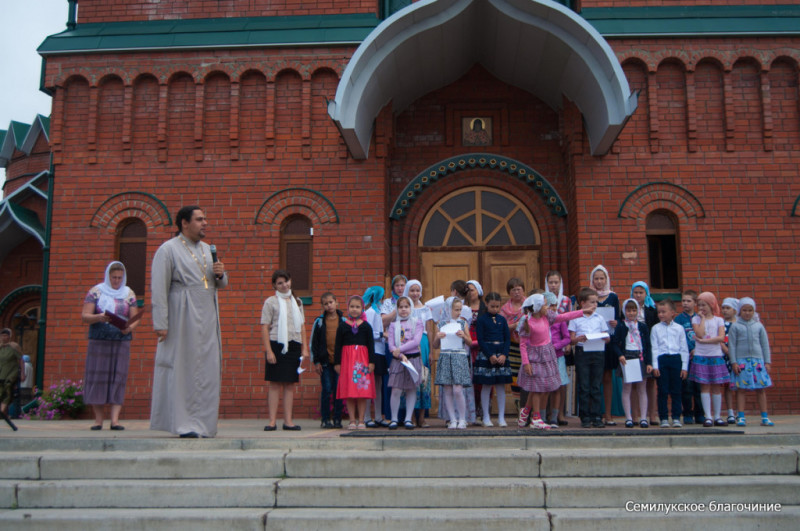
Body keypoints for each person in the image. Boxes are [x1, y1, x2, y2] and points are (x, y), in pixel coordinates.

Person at [150, 206, 228, 438]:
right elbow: (158, 289)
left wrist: (221, 273)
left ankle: (204, 424)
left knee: (207, 370)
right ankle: (184, 424)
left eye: (205, 219)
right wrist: (160, 322)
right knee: (183, 368)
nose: (205, 223)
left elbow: (220, 284)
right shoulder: (168, 250)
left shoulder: (207, 249)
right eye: (199, 219)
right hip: (181, 314)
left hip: (207, 315)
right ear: (184, 223)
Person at [81, 261, 140, 430]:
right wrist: (98, 317)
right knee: (98, 377)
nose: (116, 281)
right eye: (113, 277)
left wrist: (129, 328)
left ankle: (115, 420)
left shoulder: (128, 293)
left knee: (118, 377)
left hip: (120, 340)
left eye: (119, 278)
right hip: (99, 339)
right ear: (108, 276)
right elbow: (85, 316)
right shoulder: (96, 292)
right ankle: (98, 420)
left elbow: (135, 318)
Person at [517, 294, 583, 429]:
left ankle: (525, 412)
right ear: (537, 307)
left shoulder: (547, 317)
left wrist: (582, 312)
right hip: (535, 357)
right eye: (545, 305)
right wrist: (526, 363)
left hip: (548, 355)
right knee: (536, 388)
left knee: (541, 386)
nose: (547, 307)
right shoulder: (527, 322)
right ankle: (536, 418)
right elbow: (523, 345)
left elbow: (563, 317)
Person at [261, 269, 308, 431]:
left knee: (289, 384)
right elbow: (265, 327)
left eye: (286, 281)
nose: (284, 285)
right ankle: (272, 421)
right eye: (279, 283)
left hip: (294, 344)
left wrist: (305, 348)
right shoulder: (270, 302)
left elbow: (302, 326)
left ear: (290, 281)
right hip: (276, 344)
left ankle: (288, 421)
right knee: (274, 384)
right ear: (275, 285)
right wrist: (269, 351)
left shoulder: (298, 302)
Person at [728, 297, 774, 427]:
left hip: (758, 361)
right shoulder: (735, 326)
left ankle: (764, 417)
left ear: (754, 311)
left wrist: (767, 361)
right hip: (741, 362)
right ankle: (741, 417)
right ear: (739, 311)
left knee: (761, 389)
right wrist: (734, 362)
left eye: (750, 310)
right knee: (741, 389)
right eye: (744, 310)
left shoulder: (759, 326)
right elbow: (731, 346)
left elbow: (765, 345)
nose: (747, 313)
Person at [569, 287, 610, 428]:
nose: (595, 305)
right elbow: (572, 339)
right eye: (592, 302)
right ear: (582, 303)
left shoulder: (599, 318)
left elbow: (606, 335)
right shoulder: (576, 317)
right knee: (584, 385)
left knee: (596, 386)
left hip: (598, 352)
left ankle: (597, 415)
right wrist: (578, 339)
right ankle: (585, 416)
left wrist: (605, 338)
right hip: (582, 352)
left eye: (596, 302)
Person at [334, 295, 377, 430]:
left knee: (362, 392)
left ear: (362, 309)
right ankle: (352, 420)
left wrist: (371, 362)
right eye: (352, 306)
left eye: (357, 307)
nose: (354, 309)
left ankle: (362, 420)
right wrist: (337, 363)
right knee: (350, 392)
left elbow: (371, 345)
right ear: (348, 308)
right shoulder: (342, 326)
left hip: (362, 362)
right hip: (347, 362)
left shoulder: (366, 327)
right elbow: (337, 345)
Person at [690, 292, 729, 427]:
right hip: (701, 356)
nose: (701, 308)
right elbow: (699, 333)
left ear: (711, 305)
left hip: (715, 356)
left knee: (716, 387)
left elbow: (721, 338)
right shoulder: (696, 319)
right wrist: (702, 319)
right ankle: (708, 417)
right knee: (704, 387)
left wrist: (705, 342)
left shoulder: (719, 320)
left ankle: (718, 416)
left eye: (704, 305)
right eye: (699, 305)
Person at [474, 292, 512, 427]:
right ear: (487, 305)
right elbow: (480, 339)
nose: (495, 309)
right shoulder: (482, 320)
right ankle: (486, 416)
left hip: (501, 352)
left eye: (497, 307)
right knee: (486, 385)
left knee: (500, 385)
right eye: (492, 306)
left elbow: (507, 338)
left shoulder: (502, 320)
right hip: (487, 354)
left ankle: (501, 417)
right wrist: (490, 355)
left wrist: (504, 354)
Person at [433, 298, 471, 429]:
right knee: (448, 389)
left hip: (459, 357)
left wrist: (464, 336)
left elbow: (470, 342)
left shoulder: (462, 323)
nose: (458, 312)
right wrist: (438, 336)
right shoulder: (441, 324)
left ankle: (462, 418)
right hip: (446, 356)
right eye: (456, 310)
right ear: (448, 310)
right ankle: (452, 419)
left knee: (458, 389)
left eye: (460, 309)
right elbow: (435, 345)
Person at [613, 299, 652, 428]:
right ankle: (628, 418)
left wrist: (649, 362)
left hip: (640, 357)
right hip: (627, 358)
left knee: (642, 388)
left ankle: (643, 418)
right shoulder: (621, 326)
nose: (631, 313)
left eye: (634, 310)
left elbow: (648, 345)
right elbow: (615, 343)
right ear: (624, 311)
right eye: (628, 310)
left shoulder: (642, 326)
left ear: (638, 311)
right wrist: (620, 355)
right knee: (627, 388)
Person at [650, 299, 690, 428]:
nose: (661, 314)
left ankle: (676, 417)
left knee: (676, 390)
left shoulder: (679, 329)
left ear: (672, 313)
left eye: (664, 312)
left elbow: (684, 348)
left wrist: (684, 367)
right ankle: (663, 418)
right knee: (662, 390)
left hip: (675, 359)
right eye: (659, 312)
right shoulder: (655, 329)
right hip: (662, 360)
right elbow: (654, 348)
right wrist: (655, 365)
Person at [589, 265, 621, 426]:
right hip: (592, 342)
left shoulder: (613, 297)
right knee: (593, 378)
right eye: (596, 278)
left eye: (602, 278)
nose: (599, 281)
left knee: (607, 377)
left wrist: (617, 323)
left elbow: (620, 319)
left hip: (607, 342)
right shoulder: (588, 296)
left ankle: (608, 414)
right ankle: (593, 413)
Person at [387, 296, 424, 429]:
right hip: (398, 360)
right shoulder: (393, 325)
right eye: (401, 307)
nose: (403, 310)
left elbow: (416, 341)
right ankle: (394, 419)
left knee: (411, 389)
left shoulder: (417, 322)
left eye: (406, 307)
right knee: (396, 389)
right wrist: (399, 354)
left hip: (413, 359)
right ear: (397, 309)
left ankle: (408, 418)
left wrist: (399, 349)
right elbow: (390, 344)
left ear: (411, 308)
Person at [310, 292, 344, 429]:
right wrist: (316, 361)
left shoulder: (344, 321)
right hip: (325, 362)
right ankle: (325, 419)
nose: (329, 305)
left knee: (338, 391)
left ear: (336, 302)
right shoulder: (319, 322)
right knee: (327, 389)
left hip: (339, 363)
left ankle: (337, 419)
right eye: (326, 303)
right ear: (322, 306)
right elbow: (314, 343)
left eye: (331, 302)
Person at [403, 280, 433, 427]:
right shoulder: (404, 308)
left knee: (423, 379)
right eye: (412, 290)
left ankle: (421, 417)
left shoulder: (426, 309)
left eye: (417, 290)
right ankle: (410, 416)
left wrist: (432, 351)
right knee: (410, 378)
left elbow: (430, 329)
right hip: (409, 344)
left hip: (423, 343)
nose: (415, 293)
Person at [631, 281, 659, 424]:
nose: (638, 295)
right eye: (636, 292)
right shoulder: (628, 308)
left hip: (648, 348)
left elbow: (655, 329)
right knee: (635, 383)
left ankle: (652, 415)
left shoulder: (652, 309)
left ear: (646, 293)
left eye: (641, 292)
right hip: (633, 349)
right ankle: (635, 415)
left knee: (650, 383)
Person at [362, 286, 390, 427]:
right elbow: (367, 333)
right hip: (373, 351)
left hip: (380, 351)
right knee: (370, 384)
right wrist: (382, 334)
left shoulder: (377, 311)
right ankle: (367, 416)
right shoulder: (371, 312)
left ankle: (378, 416)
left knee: (378, 385)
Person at [675, 290, 703, 425]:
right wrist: (688, 350)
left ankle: (700, 413)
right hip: (685, 359)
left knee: (699, 387)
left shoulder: (700, 318)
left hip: (700, 357)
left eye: (689, 301)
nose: (685, 303)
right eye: (683, 301)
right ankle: (687, 413)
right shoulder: (679, 319)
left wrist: (697, 348)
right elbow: (678, 338)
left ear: (695, 303)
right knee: (686, 388)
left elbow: (705, 335)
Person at [500, 278, 526, 419]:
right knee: (515, 378)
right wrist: (514, 326)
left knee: (530, 377)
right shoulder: (504, 310)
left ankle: (530, 410)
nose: (516, 292)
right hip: (513, 347)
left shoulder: (529, 305)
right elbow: (501, 328)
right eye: (513, 290)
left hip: (528, 346)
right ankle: (519, 410)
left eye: (519, 289)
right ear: (509, 292)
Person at [720, 297, 739, 424]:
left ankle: (739, 411)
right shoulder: (721, 324)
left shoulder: (738, 325)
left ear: (735, 310)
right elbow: (719, 339)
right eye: (723, 308)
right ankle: (730, 412)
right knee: (727, 386)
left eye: (728, 308)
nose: (725, 311)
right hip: (725, 357)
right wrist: (727, 350)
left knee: (738, 385)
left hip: (738, 358)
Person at [0, 328, 23, 419]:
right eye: (2, 336)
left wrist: (22, 373)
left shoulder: (13, 347)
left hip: (11, 373)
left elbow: (21, 359)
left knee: (8, 390)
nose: (4, 337)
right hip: (1, 373)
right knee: (1, 392)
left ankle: (2, 411)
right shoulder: (1, 347)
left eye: (6, 336)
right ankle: (4, 413)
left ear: (9, 337)